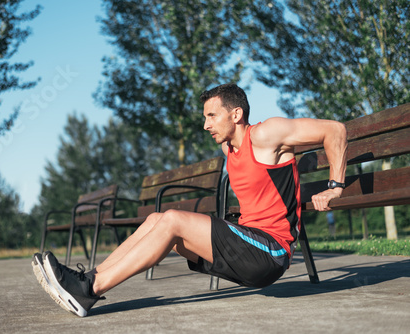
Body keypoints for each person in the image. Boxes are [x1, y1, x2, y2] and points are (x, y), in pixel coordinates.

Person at [32, 83, 348, 317]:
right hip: (247, 247)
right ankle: (86, 279)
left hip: (271, 252)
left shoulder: (266, 135)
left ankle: (88, 291)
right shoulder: (229, 150)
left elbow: (334, 130)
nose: (205, 124)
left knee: (171, 219)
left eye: (212, 115)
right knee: (157, 220)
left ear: (236, 114)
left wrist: (335, 186)